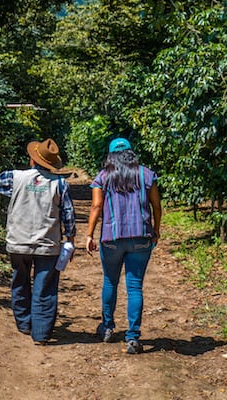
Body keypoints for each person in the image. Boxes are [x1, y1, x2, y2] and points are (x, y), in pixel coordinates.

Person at [0, 138, 76, 345]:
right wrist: (70, 240)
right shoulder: (60, 184)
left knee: (20, 281)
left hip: (18, 242)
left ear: (32, 160)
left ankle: (24, 324)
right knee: (45, 288)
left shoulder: (17, 178)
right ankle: (41, 334)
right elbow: (68, 214)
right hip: (47, 245)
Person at [86, 137, 161, 354]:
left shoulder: (103, 176)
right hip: (141, 237)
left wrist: (89, 234)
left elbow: (96, 205)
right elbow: (156, 205)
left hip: (111, 238)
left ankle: (108, 328)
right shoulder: (146, 174)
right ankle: (132, 337)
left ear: (110, 155)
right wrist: (156, 230)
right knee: (135, 286)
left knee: (110, 281)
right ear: (131, 153)